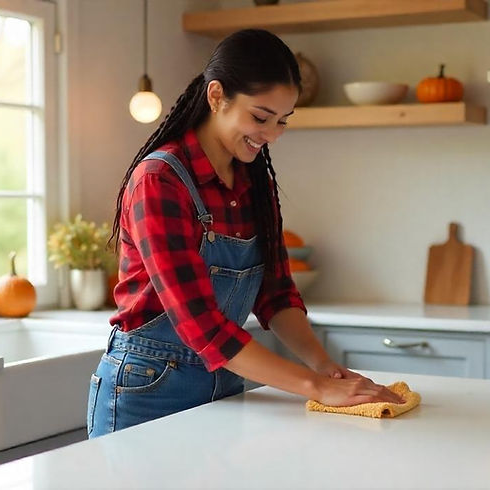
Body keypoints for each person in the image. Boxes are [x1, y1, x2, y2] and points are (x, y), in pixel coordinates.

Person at [87, 29, 403, 438]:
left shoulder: (254, 181)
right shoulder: (159, 181)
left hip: (225, 384)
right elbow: (202, 325)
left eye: (283, 121)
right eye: (260, 117)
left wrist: (325, 367)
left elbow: (275, 292)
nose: (271, 135)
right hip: (148, 389)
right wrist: (315, 387)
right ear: (217, 96)